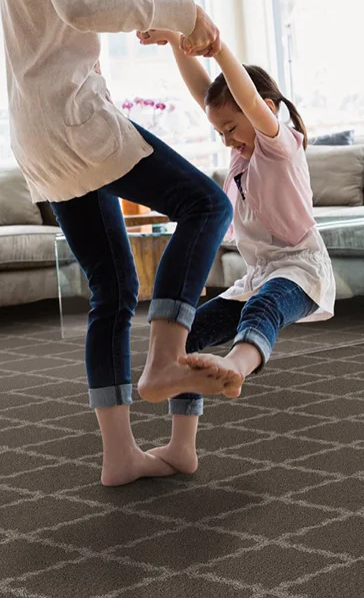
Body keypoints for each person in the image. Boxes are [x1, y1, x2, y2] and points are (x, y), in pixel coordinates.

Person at [0, 0, 235, 488]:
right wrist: (177, 12)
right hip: (74, 124)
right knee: (208, 205)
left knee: (112, 289)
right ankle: (165, 357)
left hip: (41, 135)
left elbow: (71, 12)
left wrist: (144, 25)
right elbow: (78, 4)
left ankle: (119, 455)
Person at [135, 29, 336, 474]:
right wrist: (174, 43)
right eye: (220, 132)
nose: (226, 141)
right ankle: (181, 447)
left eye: (230, 129)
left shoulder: (278, 144)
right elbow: (206, 93)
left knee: (262, 308)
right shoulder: (241, 155)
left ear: (262, 111)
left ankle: (236, 366)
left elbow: (239, 94)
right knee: (183, 343)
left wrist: (221, 50)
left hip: (301, 269)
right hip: (259, 274)